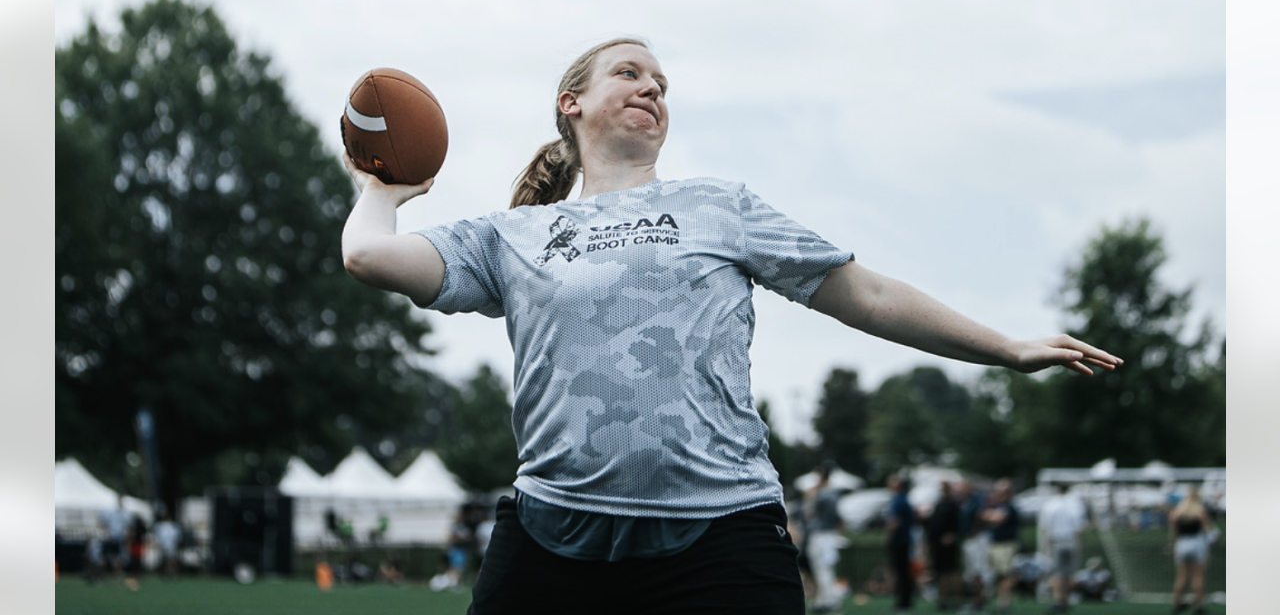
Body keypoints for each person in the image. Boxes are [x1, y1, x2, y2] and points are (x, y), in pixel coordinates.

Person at [340, 37, 1123, 615]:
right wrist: (384, 181)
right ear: (571, 102)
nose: (652, 87)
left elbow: (872, 295)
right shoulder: (510, 237)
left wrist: (1006, 347)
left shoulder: (719, 205)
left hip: (718, 539)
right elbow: (369, 257)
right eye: (630, 72)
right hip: (551, 544)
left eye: (662, 83)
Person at [1037, 483, 1088, 613]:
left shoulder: (1050, 504)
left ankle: (1059, 600)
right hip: (1072, 540)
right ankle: (1067, 599)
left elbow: (1044, 526)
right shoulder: (1075, 503)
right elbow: (1080, 525)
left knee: (1058, 573)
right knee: (1070, 572)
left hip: (1056, 541)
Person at [803, 461, 846, 613]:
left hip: (821, 535)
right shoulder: (833, 493)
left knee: (822, 569)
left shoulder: (822, 493)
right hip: (828, 534)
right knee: (825, 569)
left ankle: (829, 601)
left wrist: (811, 496)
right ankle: (823, 600)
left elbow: (810, 513)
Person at [1168, 485, 1216, 615]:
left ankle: (1177, 603)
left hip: (1182, 543)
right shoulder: (1200, 510)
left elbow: (1174, 531)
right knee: (1198, 575)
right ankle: (1198, 606)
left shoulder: (1177, 511)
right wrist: (1212, 543)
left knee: (1181, 576)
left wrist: (1172, 545)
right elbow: (1208, 530)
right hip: (1197, 543)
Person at [982, 480, 1020, 614]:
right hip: (996, 543)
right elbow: (986, 515)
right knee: (998, 574)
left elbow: (996, 518)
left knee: (1004, 574)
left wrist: (989, 516)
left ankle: (1004, 602)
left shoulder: (1009, 506)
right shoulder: (1000, 506)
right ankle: (1000, 600)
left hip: (1005, 544)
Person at [927, 481, 963, 612]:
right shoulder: (939, 504)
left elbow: (958, 524)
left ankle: (958, 600)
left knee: (952, 572)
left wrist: (952, 536)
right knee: (940, 573)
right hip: (937, 545)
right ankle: (943, 600)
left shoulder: (953, 504)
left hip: (949, 545)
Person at [957, 479, 990, 613]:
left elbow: (979, 515)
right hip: (968, 539)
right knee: (971, 573)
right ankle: (975, 601)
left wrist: (975, 531)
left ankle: (979, 601)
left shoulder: (976, 499)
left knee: (978, 571)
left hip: (977, 539)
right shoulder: (965, 501)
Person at [885, 474, 917, 613]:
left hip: (900, 541)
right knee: (903, 571)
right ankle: (905, 600)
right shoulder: (903, 499)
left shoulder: (898, 500)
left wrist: (889, 537)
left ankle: (904, 602)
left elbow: (894, 522)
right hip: (905, 540)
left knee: (902, 571)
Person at [98, 495, 132, 581]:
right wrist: (106, 533)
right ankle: (103, 576)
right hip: (111, 538)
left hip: (119, 539)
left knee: (118, 558)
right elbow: (102, 522)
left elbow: (128, 527)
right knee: (106, 557)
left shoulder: (125, 513)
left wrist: (127, 537)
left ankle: (117, 576)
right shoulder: (111, 512)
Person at [152, 509, 183, 578]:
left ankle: (173, 572)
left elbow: (177, 536)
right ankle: (167, 572)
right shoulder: (160, 526)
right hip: (164, 545)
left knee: (172, 560)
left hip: (171, 545)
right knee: (165, 560)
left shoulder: (173, 526)